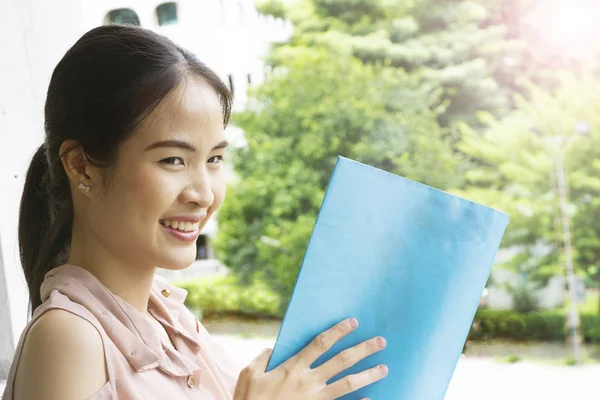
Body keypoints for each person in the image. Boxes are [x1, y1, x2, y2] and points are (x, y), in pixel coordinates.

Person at [1, 25, 388, 400]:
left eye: (215, 158)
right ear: (82, 166)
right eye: (173, 160)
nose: (203, 194)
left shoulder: (173, 320)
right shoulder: (68, 339)